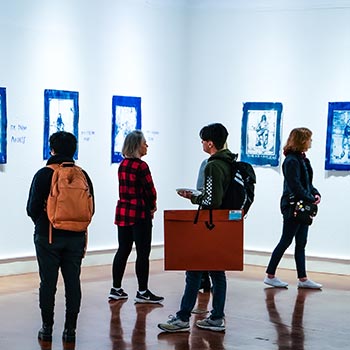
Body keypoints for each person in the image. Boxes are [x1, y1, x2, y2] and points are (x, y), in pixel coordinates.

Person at [158, 123, 236, 333]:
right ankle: (217, 317)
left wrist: (192, 196)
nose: (202, 144)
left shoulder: (213, 165)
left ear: (210, 143)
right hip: (222, 225)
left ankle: (183, 318)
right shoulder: (230, 162)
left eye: (203, 140)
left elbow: (212, 199)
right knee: (218, 273)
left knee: (193, 271)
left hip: (208, 225)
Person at [27, 131, 94, 343]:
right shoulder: (83, 175)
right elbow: (90, 209)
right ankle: (70, 330)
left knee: (48, 282)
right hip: (76, 237)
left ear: (52, 149)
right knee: (73, 281)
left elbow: (31, 208)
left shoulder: (43, 174)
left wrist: (43, 222)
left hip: (48, 236)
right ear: (73, 150)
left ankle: (47, 328)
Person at [109, 130, 164, 304]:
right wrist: (153, 206)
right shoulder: (142, 166)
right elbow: (150, 190)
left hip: (123, 211)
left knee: (123, 249)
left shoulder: (123, 165)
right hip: (139, 212)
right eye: (144, 143)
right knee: (142, 252)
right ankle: (142, 291)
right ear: (137, 146)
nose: (147, 145)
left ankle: (116, 288)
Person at [264, 127, 322, 289]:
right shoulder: (291, 161)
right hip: (292, 206)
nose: (311, 141)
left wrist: (315, 193)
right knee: (286, 240)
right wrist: (310, 198)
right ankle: (270, 275)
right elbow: (295, 185)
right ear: (302, 140)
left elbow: (307, 183)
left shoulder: (303, 160)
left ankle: (303, 278)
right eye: (309, 138)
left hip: (302, 206)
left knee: (301, 242)